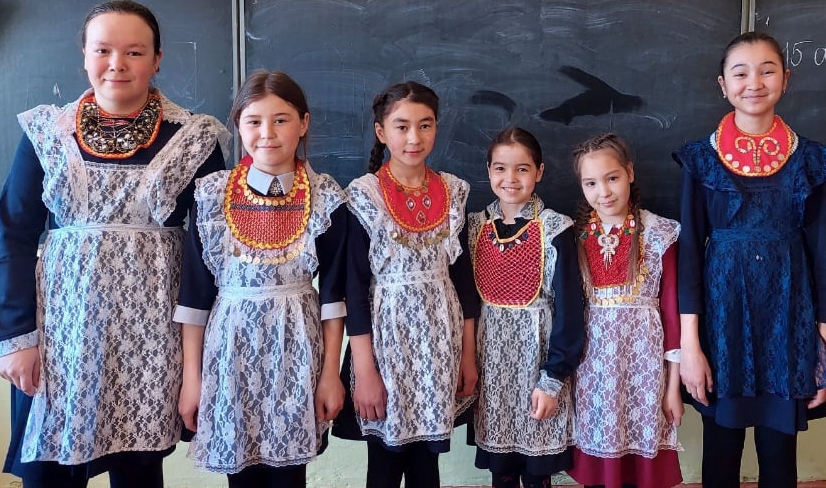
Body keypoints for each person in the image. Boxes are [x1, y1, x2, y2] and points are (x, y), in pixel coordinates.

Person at [0, 0, 228, 488]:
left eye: (134, 52)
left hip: (152, 338)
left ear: (157, 59)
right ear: (84, 55)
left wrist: (199, 363)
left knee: (138, 473)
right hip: (60, 336)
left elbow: (210, 256)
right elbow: (14, 236)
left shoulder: (194, 139)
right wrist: (16, 338)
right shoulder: (47, 133)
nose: (117, 64)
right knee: (48, 472)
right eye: (103, 50)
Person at [674, 31, 826, 488]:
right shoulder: (700, 159)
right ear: (722, 84)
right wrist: (690, 345)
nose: (754, 83)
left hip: (789, 322)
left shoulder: (812, 160)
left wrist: (825, 342)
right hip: (721, 324)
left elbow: (824, 257)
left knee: (780, 459)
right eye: (740, 72)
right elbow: (690, 256)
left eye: (767, 71)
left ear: (786, 78)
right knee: (720, 456)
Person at [174, 71, 348, 487]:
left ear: (303, 124)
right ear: (238, 124)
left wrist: (330, 374)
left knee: (289, 476)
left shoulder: (326, 197)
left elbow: (334, 297)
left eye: (281, 120)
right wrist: (192, 381)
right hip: (230, 356)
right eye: (253, 121)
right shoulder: (211, 196)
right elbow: (195, 297)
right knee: (241, 474)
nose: (267, 133)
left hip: (298, 355)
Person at [332, 81, 479, 488]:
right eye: (402, 126)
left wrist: (468, 354)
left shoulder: (453, 192)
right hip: (385, 347)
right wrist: (364, 371)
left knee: (426, 465)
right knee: (384, 464)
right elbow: (353, 290)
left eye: (425, 125)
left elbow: (463, 281)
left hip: (440, 346)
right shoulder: (363, 197)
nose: (414, 138)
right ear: (381, 132)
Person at [467, 127, 586, 488]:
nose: (510, 178)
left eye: (522, 169)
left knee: (537, 473)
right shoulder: (473, 227)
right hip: (492, 372)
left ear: (539, 172)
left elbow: (569, 310)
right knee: (501, 471)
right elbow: (465, 304)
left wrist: (553, 379)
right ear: (488, 171)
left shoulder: (555, 229)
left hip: (539, 367)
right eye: (500, 168)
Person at [568, 133, 683, 488]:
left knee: (640, 470)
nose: (603, 191)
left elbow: (672, 314)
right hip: (593, 373)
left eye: (612, 178)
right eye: (590, 183)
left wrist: (673, 387)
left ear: (630, 173)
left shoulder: (661, 234)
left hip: (644, 371)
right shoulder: (574, 237)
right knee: (600, 471)